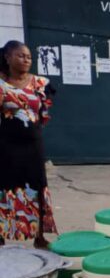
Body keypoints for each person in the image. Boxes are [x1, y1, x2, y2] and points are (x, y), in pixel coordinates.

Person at [0, 40, 56, 247]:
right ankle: (1, 232)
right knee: (5, 187)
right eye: (20, 55)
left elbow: (44, 112)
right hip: (6, 146)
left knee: (37, 187)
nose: (26, 60)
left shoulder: (41, 83)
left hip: (33, 145)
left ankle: (39, 236)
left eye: (29, 56)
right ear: (7, 58)